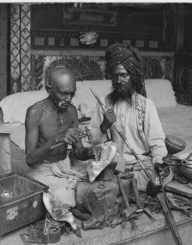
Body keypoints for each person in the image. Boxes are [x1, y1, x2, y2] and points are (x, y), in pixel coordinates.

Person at [88, 43, 172, 192]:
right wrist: (104, 126)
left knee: (167, 172)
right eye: (114, 76)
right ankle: (128, 185)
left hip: (141, 163)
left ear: (133, 76)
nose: (118, 81)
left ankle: (121, 185)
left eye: (123, 75)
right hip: (113, 164)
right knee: (91, 167)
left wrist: (159, 162)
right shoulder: (104, 103)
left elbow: (157, 143)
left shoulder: (147, 105)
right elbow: (92, 141)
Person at [25, 66, 96, 228]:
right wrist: (56, 139)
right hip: (43, 169)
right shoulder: (35, 112)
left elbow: (78, 152)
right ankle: (70, 206)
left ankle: (68, 205)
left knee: (101, 178)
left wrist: (90, 151)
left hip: (66, 166)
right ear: (49, 89)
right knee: (49, 195)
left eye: (72, 93)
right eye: (63, 93)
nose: (69, 98)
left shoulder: (71, 112)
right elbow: (29, 159)